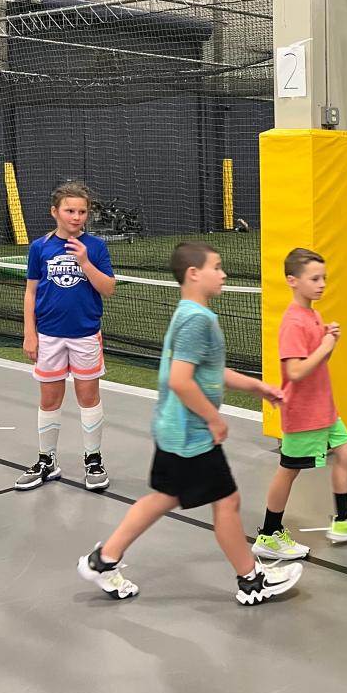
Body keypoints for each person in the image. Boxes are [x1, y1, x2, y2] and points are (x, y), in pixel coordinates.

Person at [77, 242, 302, 606]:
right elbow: (182, 380)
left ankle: (103, 560)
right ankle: (250, 580)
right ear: (194, 274)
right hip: (190, 434)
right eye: (217, 266)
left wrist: (256, 386)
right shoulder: (197, 320)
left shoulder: (189, 313)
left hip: (173, 429)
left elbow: (206, 370)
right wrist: (214, 419)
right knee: (227, 502)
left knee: (163, 498)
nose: (224, 273)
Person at [252, 247, 347, 560]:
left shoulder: (313, 315)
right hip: (303, 413)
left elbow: (319, 361)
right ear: (292, 281)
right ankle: (269, 534)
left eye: (324, 277)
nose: (322, 283)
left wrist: (329, 343)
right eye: (314, 278)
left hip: (323, 408)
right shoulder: (293, 322)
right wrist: (325, 345)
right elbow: (295, 371)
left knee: (346, 449)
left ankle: (344, 519)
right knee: (288, 470)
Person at [16, 180, 116, 493]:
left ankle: (93, 460)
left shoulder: (96, 247)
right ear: (54, 212)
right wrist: (29, 332)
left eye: (82, 211)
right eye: (69, 210)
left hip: (85, 335)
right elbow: (31, 291)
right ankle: (47, 461)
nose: (76, 216)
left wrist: (85, 262)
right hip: (48, 337)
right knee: (49, 399)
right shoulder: (40, 247)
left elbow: (108, 289)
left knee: (88, 397)